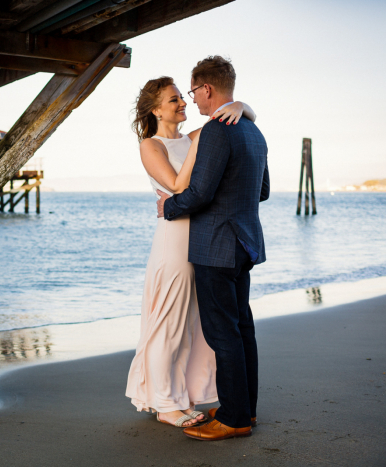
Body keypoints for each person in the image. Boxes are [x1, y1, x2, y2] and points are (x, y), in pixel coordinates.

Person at [125, 74, 257, 428]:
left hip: (203, 239)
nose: (183, 103)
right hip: (174, 240)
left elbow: (239, 115)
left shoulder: (194, 136)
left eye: (183, 97)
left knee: (194, 326)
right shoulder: (150, 145)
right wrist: (201, 142)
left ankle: (184, 395)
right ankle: (164, 403)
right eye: (173, 100)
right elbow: (177, 185)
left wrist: (241, 105)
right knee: (167, 322)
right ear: (156, 109)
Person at [156, 56, 269, 440]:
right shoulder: (253, 131)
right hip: (244, 241)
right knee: (242, 328)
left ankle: (235, 419)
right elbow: (262, 191)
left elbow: (200, 193)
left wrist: (168, 206)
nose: (195, 101)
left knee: (223, 333)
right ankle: (245, 409)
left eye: (194, 92)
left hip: (216, 244)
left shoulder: (218, 130)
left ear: (207, 88)